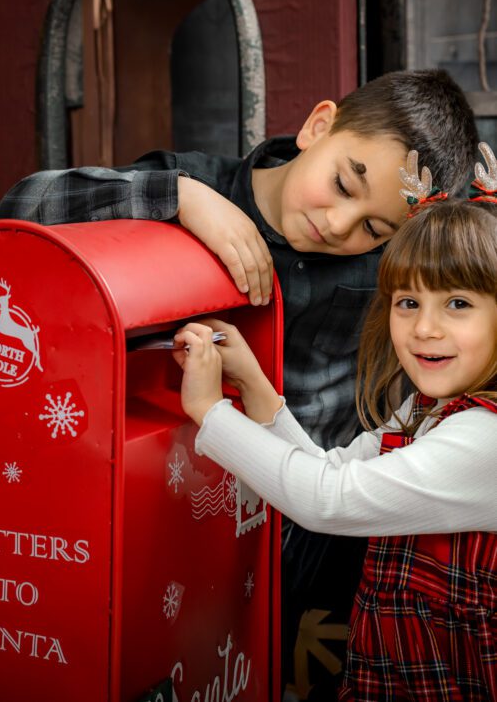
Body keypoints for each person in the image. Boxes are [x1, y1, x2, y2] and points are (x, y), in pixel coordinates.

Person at [0, 69, 479, 694]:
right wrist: (180, 198)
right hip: (169, 504)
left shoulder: (391, 270)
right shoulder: (189, 187)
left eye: (374, 228)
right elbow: (21, 208)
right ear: (318, 126)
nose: (340, 224)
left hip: (309, 518)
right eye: (343, 184)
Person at [173, 171, 497, 700]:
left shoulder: (486, 437)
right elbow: (333, 469)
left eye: (458, 304)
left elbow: (328, 500)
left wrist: (211, 413)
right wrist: (254, 385)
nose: (424, 329)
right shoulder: (427, 408)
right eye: (408, 302)